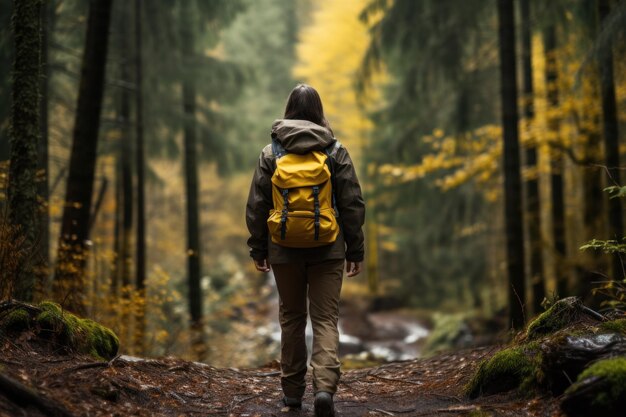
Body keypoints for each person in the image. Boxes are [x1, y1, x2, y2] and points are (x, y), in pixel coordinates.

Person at [246, 84, 365, 417]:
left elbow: (257, 205)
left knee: (292, 319)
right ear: (318, 111)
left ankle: (293, 396)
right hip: (328, 248)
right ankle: (324, 389)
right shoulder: (335, 150)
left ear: (288, 110)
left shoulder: (271, 153)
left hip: (283, 248)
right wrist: (355, 250)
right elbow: (352, 202)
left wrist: (259, 249)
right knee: (325, 319)